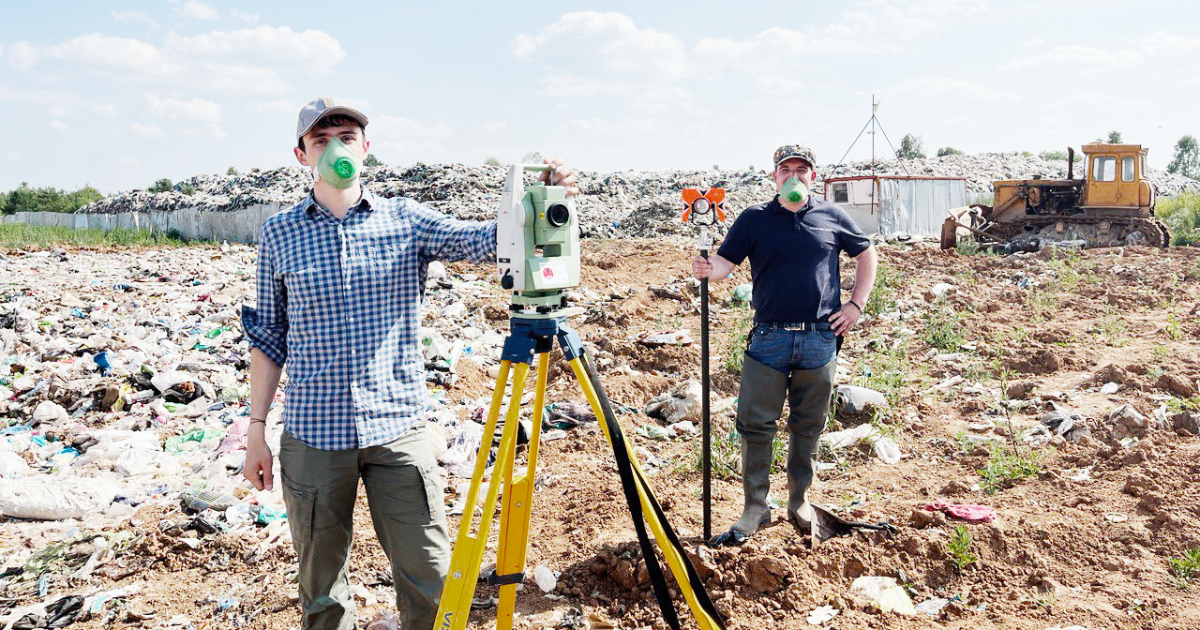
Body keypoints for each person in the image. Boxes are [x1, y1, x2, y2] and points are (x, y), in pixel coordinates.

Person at [240, 96, 578, 630]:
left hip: (397, 428)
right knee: (322, 591)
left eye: (346, 137)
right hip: (312, 435)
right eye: (321, 140)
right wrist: (256, 429)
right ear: (302, 154)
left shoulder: (407, 221)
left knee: (430, 578)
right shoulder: (278, 233)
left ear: (366, 148)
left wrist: (541, 199)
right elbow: (268, 337)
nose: (335, 149)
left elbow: (484, 240)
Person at [692, 145, 876, 545]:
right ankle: (756, 506)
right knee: (756, 425)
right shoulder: (755, 219)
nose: (793, 175)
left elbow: (867, 254)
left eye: (802, 169)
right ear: (774, 176)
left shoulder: (832, 215)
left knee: (808, 424)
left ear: (813, 176)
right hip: (770, 337)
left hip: (819, 338)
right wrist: (710, 269)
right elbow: (726, 263)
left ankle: (800, 502)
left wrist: (855, 305)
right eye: (785, 169)